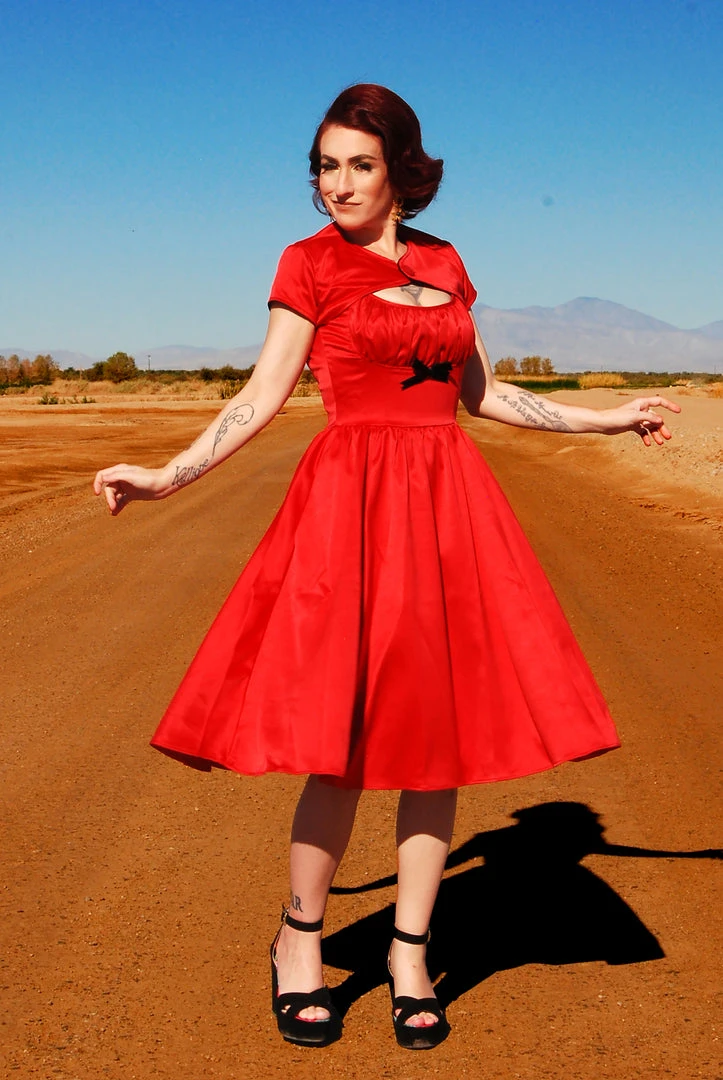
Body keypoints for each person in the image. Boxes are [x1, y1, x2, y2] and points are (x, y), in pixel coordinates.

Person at [94, 84, 680, 1051]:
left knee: (432, 740)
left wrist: (606, 418)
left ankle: (410, 956)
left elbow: (485, 394)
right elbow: (261, 394)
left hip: (447, 511)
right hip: (349, 511)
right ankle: (299, 942)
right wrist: (168, 475)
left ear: (401, 171)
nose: (337, 184)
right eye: (324, 166)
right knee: (344, 741)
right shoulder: (308, 263)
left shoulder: (447, 262)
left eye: (358, 164)